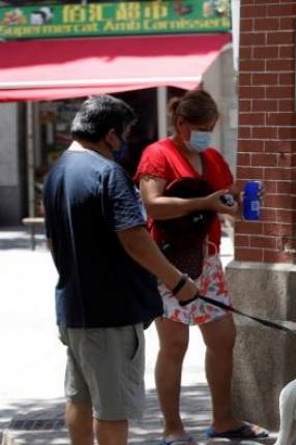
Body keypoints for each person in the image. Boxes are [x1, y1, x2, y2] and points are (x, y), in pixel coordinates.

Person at [43, 95, 200, 445]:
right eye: (125, 133)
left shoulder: (58, 172)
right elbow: (134, 238)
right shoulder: (107, 173)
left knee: (79, 398)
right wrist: (177, 281)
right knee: (113, 409)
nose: (126, 141)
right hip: (112, 312)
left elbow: (53, 242)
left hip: (73, 308)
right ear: (111, 134)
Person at [134, 89, 267, 442]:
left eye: (212, 126)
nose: (207, 132)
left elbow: (224, 197)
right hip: (170, 259)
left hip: (207, 259)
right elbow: (153, 205)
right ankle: (173, 428)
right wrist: (204, 203)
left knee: (224, 338)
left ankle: (223, 419)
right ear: (181, 124)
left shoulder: (212, 157)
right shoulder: (157, 154)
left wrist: (238, 201)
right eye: (202, 127)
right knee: (174, 345)